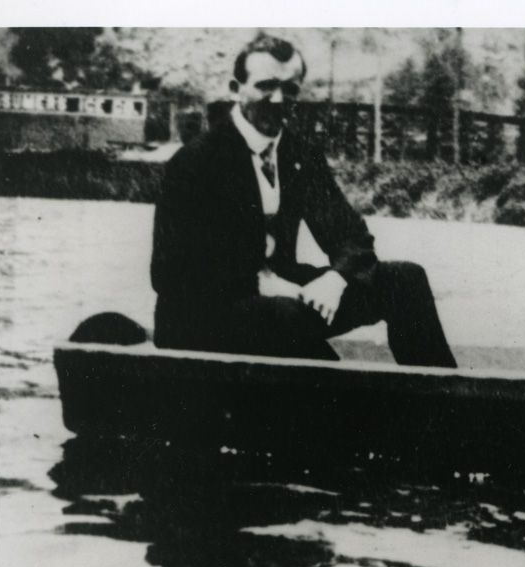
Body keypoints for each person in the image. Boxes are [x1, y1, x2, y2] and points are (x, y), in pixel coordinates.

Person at [151, 35, 457, 367]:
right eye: (266, 86)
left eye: (291, 89)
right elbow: (169, 273)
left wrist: (334, 279)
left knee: (405, 280)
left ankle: (444, 407)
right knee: (291, 321)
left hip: (283, 302)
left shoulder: (300, 154)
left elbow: (351, 236)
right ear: (235, 89)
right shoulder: (195, 162)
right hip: (204, 319)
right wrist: (262, 285)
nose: (279, 99)